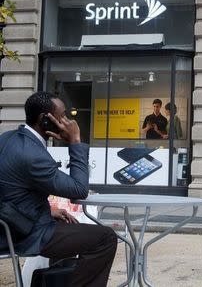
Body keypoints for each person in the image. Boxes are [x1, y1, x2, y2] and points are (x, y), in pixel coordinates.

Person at [0, 92, 117, 287]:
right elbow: (79, 190)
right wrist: (75, 142)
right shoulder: (32, 154)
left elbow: (12, 189)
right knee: (105, 238)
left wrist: (50, 210)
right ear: (45, 120)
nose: (68, 122)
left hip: (10, 224)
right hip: (22, 234)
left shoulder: (7, 138)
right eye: (62, 116)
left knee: (73, 230)